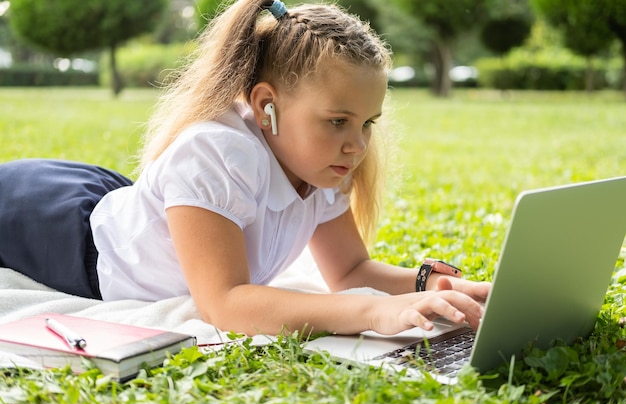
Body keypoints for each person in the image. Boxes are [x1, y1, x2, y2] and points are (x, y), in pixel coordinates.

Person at [0, 0, 490, 337]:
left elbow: (349, 270)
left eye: (367, 124)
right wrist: (372, 312)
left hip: (126, 206)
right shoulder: (216, 152)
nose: (357, 145)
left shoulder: (322, 163)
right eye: (338, 121)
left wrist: (437, 287)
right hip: (62, 231)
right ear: (265, 105)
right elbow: (225, 303)